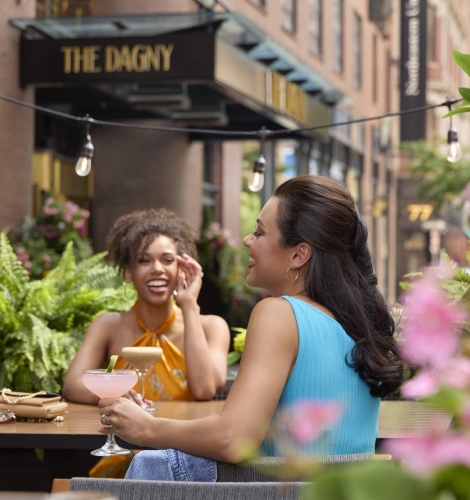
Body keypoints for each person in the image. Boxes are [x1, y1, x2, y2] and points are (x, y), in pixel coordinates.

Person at [97, 176, 404, 481]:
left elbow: (234, 440)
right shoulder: (354, 324)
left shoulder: (280, 315)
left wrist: (146, 427)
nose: (246, 239)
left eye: (259, 232)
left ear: (299, 254)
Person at [62, 208, 230, 477]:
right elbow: (72, 384)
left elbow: (204, 389)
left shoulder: (212, 327)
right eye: (144, 261)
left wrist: (188, 306)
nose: (157, 269)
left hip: (186, 457)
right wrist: (110, 393)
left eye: (167, 260)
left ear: (181, 269)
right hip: (123, 451)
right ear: (128, 272)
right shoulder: (108, 325)